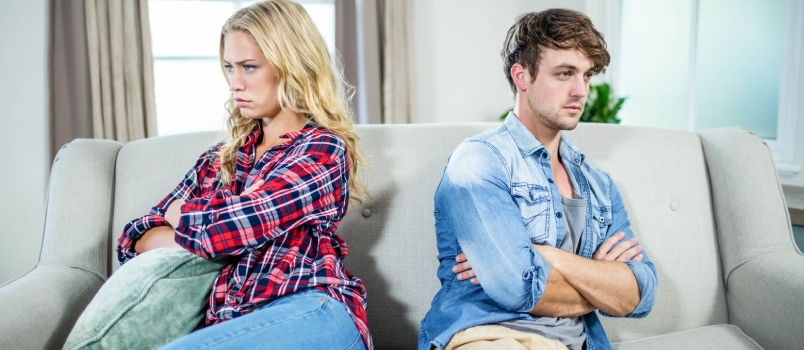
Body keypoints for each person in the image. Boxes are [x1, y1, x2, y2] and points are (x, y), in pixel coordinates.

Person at [116, 1, 372, 349]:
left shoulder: (323, 149)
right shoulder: (218, 160)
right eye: (229, 67)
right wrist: (211, 233)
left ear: (292, 66)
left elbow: (241, 225)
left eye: (249, 67)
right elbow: (135, 238)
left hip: (312, 309)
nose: (235, 83)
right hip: (234, 322)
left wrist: (185, 219)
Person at [419, 9, 658, 350]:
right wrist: (600, 282)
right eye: (565, 73)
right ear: (522, 76)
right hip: (489, 335)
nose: (580, 90)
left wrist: (547, 256)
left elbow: (640, 293)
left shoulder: (599, 185)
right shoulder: (479, 161)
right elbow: (517, 285)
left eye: (587, 76)